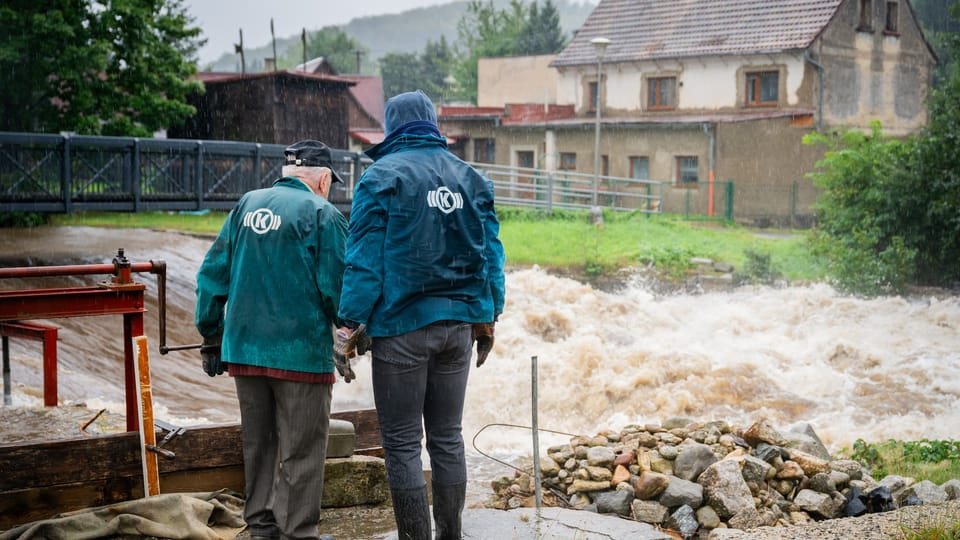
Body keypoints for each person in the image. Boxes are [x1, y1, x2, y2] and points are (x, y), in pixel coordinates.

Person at [337, 90, 506, 540]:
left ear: (393, 130)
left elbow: (363, 262)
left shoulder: (382, 178)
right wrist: (490, 316)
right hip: (459, 330)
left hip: (402, 329)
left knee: (402, 444)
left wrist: (349, 324)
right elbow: (491, 256)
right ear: (433, 125)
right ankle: (451, 533)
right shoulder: (472, 179)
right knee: (448, 437)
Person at [194, 140, 348, 540]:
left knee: (258, 446)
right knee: (301, 451)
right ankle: (298, 533)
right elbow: (338, 290)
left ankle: (261, 529)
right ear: (322, 178)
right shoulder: (323, 214)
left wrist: (212, 336)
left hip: (244, 352)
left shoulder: (246, 204)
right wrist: (350, 333)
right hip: (300, 355)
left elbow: (212, 275)